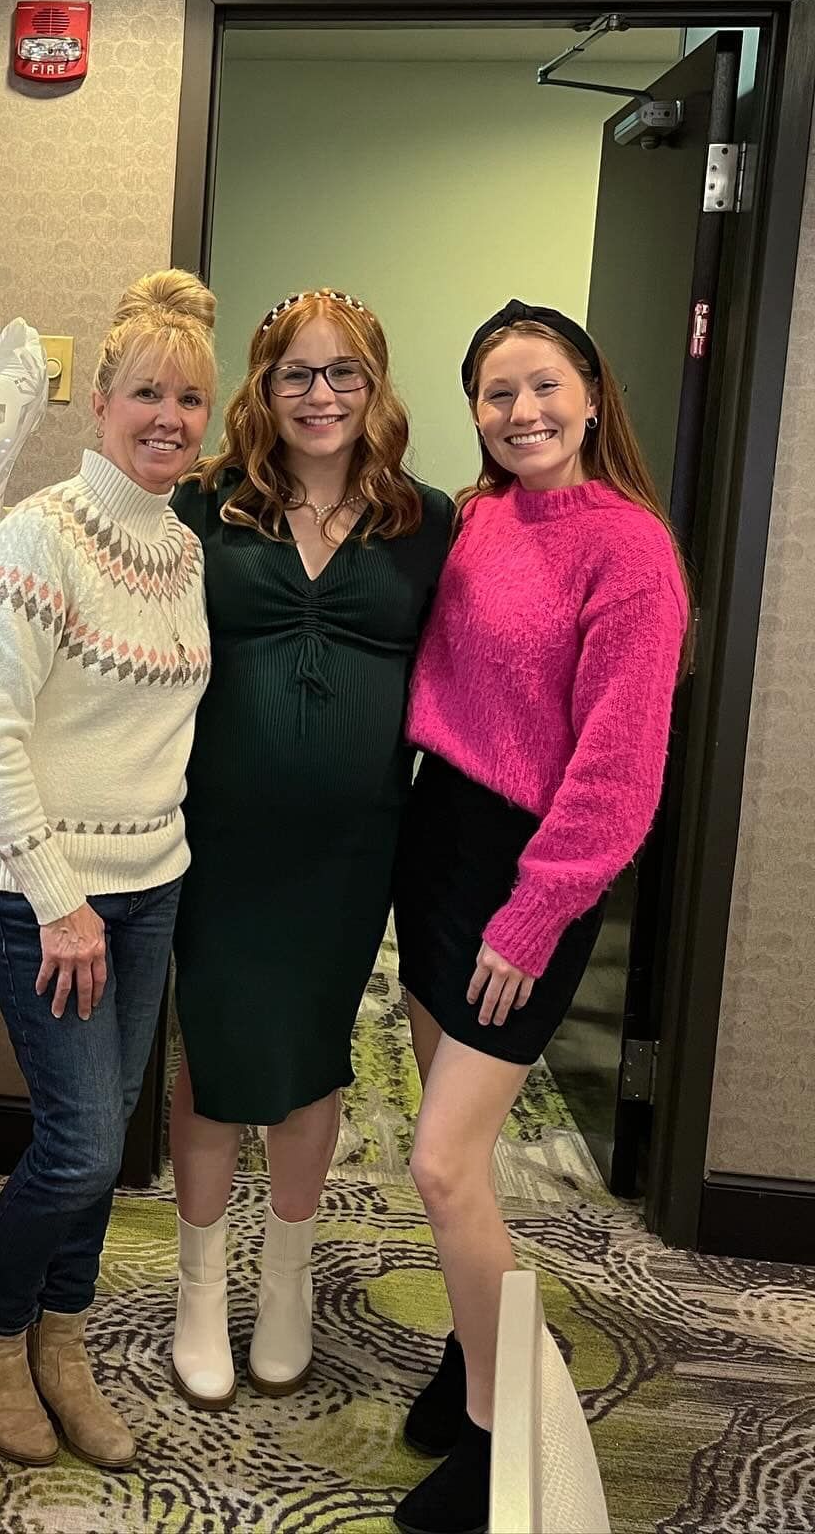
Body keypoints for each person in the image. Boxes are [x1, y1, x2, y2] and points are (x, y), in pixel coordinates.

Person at [390, 301, 690, 1534]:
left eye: (544, 386)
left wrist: (536, 913)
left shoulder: (631, 551)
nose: (523, 412)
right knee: (448, 1148)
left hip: (536, 873)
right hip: (439, 842)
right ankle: (476, 1350)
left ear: (589, 391)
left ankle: (502, 1430)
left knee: (442, 1162)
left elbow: (620, 772)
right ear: (474, 409)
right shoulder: (474, 522)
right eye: (497, 392)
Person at [0, 270, 217, 1471]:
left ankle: (64, 1336)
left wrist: (134, 883)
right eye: (147, 393)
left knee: (107, 1132)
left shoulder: (185, 549)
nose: (169, 416)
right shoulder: (37, 538)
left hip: (151, 879)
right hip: (37, 887)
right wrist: (60, 899)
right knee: (80, 1142)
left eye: (192, 400)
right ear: (99, 400)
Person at [167, 288, 453, 1410]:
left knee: (311, 1058)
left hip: (351, 850)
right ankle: (198, 1289)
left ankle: (284, 1281)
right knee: (218, 1056)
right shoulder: (205, 508)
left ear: (375, 388)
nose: (321, 395)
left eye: (344, 374)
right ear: (263, 386)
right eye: (298, 373)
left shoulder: (427, 524)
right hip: (220, 840)